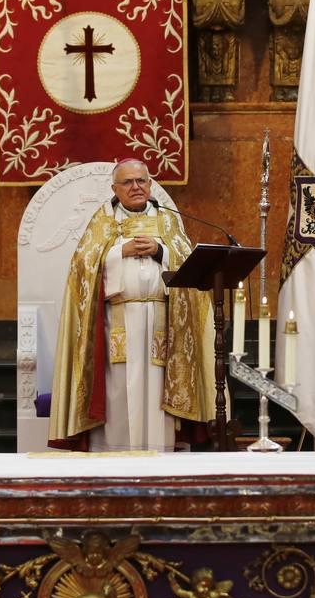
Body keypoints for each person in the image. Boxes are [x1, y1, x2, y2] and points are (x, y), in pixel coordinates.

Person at [48, 159, 215, 452]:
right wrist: (117, 253)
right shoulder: (103, 219)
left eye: (141, 181)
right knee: (118, 391)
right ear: (115, 188)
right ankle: (114, 458)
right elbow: (82, 266)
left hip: (160, 321)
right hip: (118, 319)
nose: (135, 187)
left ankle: (158, 455)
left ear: (150, 185)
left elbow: (187, 262)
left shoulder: (168, 220)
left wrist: (161, 251)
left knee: (155, 390)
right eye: (127, 182)